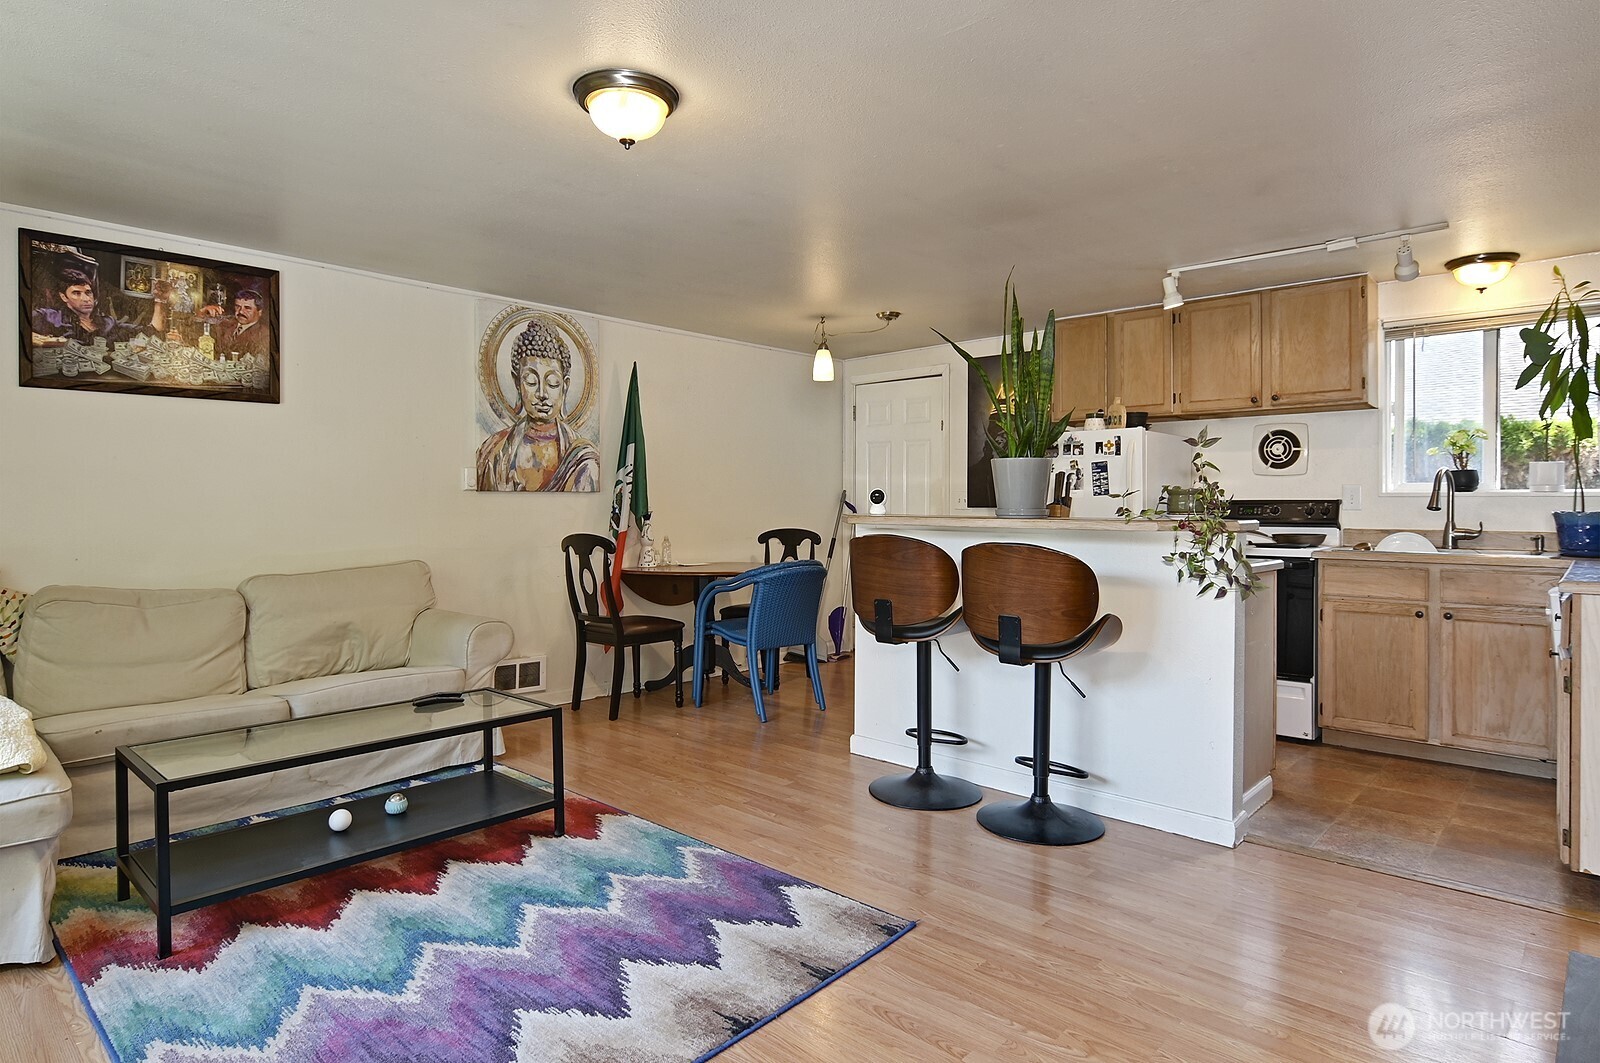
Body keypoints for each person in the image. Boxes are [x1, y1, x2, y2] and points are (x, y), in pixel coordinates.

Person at [476, 320, 600, 492]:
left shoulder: (583, 456)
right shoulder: (494, 451)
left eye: (553, 383)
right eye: (531, 381)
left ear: (565, 386)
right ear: (517, 383)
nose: (542, 393)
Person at [30, 268, 168, 347]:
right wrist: (52, 341)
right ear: (64, 297)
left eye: (88, 292)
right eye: (76, 293)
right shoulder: (49, 317)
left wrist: (160, 300)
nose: (86, 298)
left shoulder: (108, 323)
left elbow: (152, 330)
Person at [199, 289, 272, 360]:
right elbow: (195, 331)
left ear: (259, 312)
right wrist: (202, 313)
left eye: (247, 308)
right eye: (237, 306)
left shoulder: (265, 335)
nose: (241, 311)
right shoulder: (225, 324)